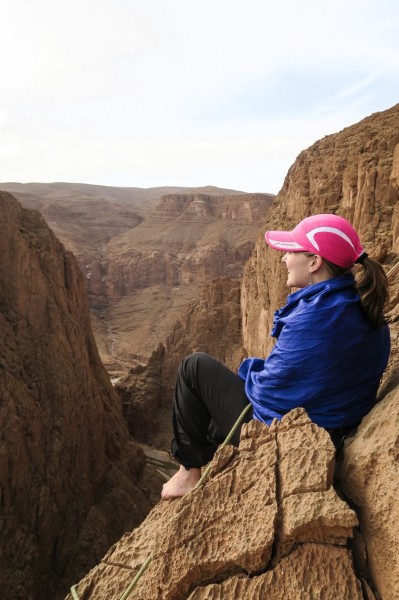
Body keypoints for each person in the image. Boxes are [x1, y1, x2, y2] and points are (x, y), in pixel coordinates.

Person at [161, 214, 390, 500]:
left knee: (193, 367)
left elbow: (267, 397)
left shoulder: (312, 319)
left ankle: (188, 474)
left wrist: (249, 371)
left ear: (314, 262)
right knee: (216, 405)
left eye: (291, 251)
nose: (283, 259)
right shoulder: (365, 310)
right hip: (337, 426)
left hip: (299, 437)